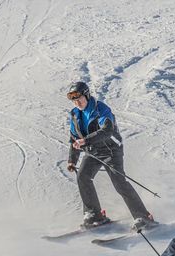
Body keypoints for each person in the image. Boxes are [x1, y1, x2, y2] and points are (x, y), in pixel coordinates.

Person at [66, 81, 155, 230]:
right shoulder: (75, 115)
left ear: (87, 95)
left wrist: (86, 140)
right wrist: (72, 160)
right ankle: (94, 215)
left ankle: (143, 217)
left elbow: (107, 130)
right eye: (73, 100)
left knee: (119, 183)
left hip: (111, 150)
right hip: (93, 152)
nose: (76, 102)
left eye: (79, 98)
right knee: (83, 177)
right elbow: (74, 139)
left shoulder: (100, 109)